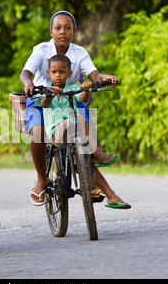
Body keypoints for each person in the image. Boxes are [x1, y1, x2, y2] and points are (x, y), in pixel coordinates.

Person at [20, 10, 129, 208]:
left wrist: (104, 79)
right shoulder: (41, 50)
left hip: (71, 96)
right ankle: (41, 180)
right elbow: (25, 73)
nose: (63, 32)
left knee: (82, 135)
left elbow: (93, 76)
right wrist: (28, 84)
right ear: (51, 31)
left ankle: (94, 183)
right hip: (42, 98)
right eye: (58, 28)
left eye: (67, 28)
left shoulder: (79, 53)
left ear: (74, 31)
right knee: (37, 133)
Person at [36, 54, 130, 208]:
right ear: (48, 73)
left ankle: (111, 196)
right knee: (78, 119)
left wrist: (86, 90)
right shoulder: (46, 90)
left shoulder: (72, 88)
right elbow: (44, 104)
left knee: (87, 161)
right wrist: (51, 94)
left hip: (74, 134)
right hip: (57, 135)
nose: (58, 75)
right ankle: (98, 153)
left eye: (62, 72)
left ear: (70, 74)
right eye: (54, 72)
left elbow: (83, 100)